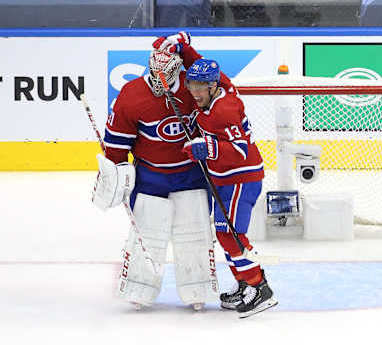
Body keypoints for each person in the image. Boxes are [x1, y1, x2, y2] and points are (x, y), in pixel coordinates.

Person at [91, 32, 218, 311]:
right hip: (151, 176)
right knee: (147, 235)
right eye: (155, 76)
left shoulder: (192, 87)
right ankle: (140, 288)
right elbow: (116, 144)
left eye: (166, 78)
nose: (159, 83)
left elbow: (218, 111)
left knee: (194, 233)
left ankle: (197, 288)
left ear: (178, 71)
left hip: (191, 174)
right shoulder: (132, 94)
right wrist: (113, 174)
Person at [165, 34, 278, 317]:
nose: (195, 90)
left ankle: (259, 287)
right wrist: (183, 48)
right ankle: (244, 285)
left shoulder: (224, 110)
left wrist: (208, 147)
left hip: (241, 177)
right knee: (223, 232)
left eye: (202, 85)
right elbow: (198, 64)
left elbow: (240, 150)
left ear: (214, 86)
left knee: (231, 235)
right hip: (223, 178)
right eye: (192, 84)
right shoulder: (221, 86)